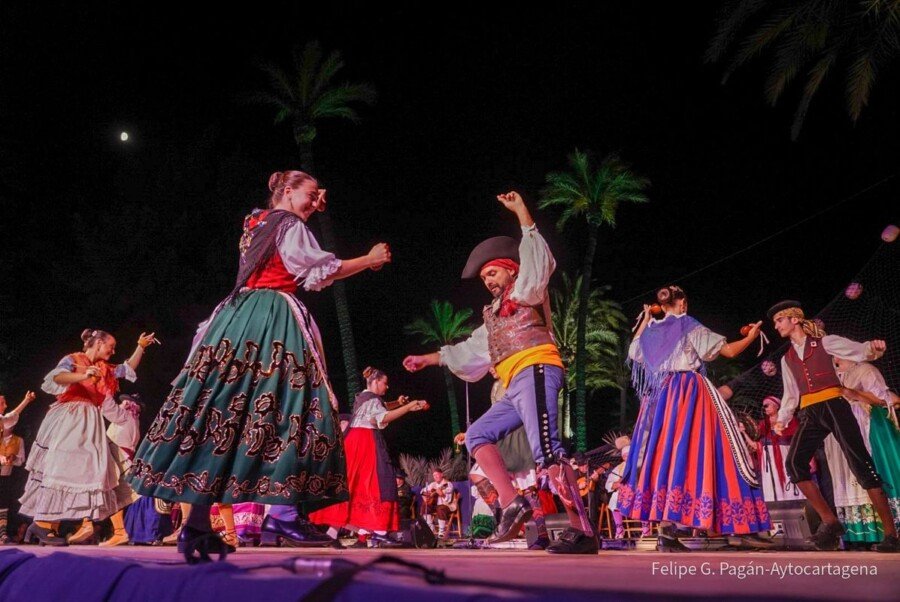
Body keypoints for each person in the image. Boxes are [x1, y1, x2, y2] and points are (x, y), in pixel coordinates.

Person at [129, 170, 391, 560]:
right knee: (288, 404)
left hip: (235, 315)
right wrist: (368, 260)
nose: (316, 201)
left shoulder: (257, 221)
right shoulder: (287, 224)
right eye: (311, 194)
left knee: (221, 412)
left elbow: (285, 239)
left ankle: (198, 525)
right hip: (270, 316)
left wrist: (305, 211)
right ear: (287, 191)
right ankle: (283, 514)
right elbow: (320, 271)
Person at [404, 191, 596, 554]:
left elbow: (538, 262)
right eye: (484, 278)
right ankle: (513, 504)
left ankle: (582, 531)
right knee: (478, 435)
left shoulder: (526, 291)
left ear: (511, 268)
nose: (489, 281)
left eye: (492, 273)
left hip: (537, 369)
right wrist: (427, 359)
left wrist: (523, 213)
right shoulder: (493, 315)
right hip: (514, 383)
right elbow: (469, 350)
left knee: (548, 453)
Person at [619, 286, 770, 552]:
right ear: (682, 304)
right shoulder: (687, 324)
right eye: (684, 301)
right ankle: (740, 525)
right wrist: (752, 336)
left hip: (659, 399)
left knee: (664, 459)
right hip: (689, 395)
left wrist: (644, 322)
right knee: (719, 449)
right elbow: (728, 352)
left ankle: (667, 532)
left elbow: (633, 352)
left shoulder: (650, 332)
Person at [768, 299, 897, 552]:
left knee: (860, 464)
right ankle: (830, 522)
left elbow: (858, 351)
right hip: (809, 411)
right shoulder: (787, 358)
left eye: (779, 320)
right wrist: (783, 418)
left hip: (835, 405)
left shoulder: (825, 343)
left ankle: (891, 534)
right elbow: (791, 393)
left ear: (795, 319)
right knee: (794, 464)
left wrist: (872, 348)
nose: (776, 326)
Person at [20, 329, 157, 546]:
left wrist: (140, 346)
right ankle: (44, 523)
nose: (112, 351)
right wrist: (83, 375)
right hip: (71, 415)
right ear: (98, 343)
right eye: (110, 346)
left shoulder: (105, 368)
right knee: (62, 468)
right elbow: (57, 376)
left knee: (83, 472)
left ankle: (50, 524)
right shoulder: (74, 359)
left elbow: (127, 368)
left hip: (89, 420)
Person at [309, 367, 427, 548]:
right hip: (365, 444)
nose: (386, 387)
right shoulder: (371, 400)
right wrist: (409, 406)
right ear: (376, 382)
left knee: (355, 488)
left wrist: (397, 402)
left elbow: (380, 408)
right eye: (385, 383)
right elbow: (382, 416)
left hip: (355, 442)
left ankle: (334, 535)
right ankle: (379, 533)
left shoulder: (365, 398)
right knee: (377, 485)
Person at [833, 358, 900, 546]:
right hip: (843, 430)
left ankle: (891, 531)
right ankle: (863, 534)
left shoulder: (865, 369)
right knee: (852, 479)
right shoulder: (830, 376)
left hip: (868, 424)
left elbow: (885, 399)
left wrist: (854, 394)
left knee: (875, 472)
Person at [754, 396, 804, 502]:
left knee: (788, 478)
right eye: (764, 406)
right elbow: (757, 445)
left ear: (777, 406)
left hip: (785, 454)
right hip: (769, 460)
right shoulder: (763, 424)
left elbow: (799, 439)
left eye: (767, 405)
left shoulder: (789, 421)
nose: (765, 407)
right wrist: (743, 432)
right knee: (773, 483)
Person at [0, 392, 35, 544]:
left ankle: (2, 534)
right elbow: (10, 417)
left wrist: (26, 400)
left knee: (3, 503)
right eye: (2, 402)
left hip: (5, 475)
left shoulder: (4, 426)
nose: (5, 405)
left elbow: (10, 417)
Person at [421, 469, 455, 540]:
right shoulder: (432, 484)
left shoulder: (447, 484)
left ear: (441, 475)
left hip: (447, 505)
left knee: (440, 508)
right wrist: (425, 496)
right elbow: (422, 491)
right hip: (435, 505)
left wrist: (442, 494)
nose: (435, 477)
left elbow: (448, 500)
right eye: (434, 475)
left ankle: (441, 532)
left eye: (437, 475)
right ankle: (431, 527)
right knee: (425, 505)